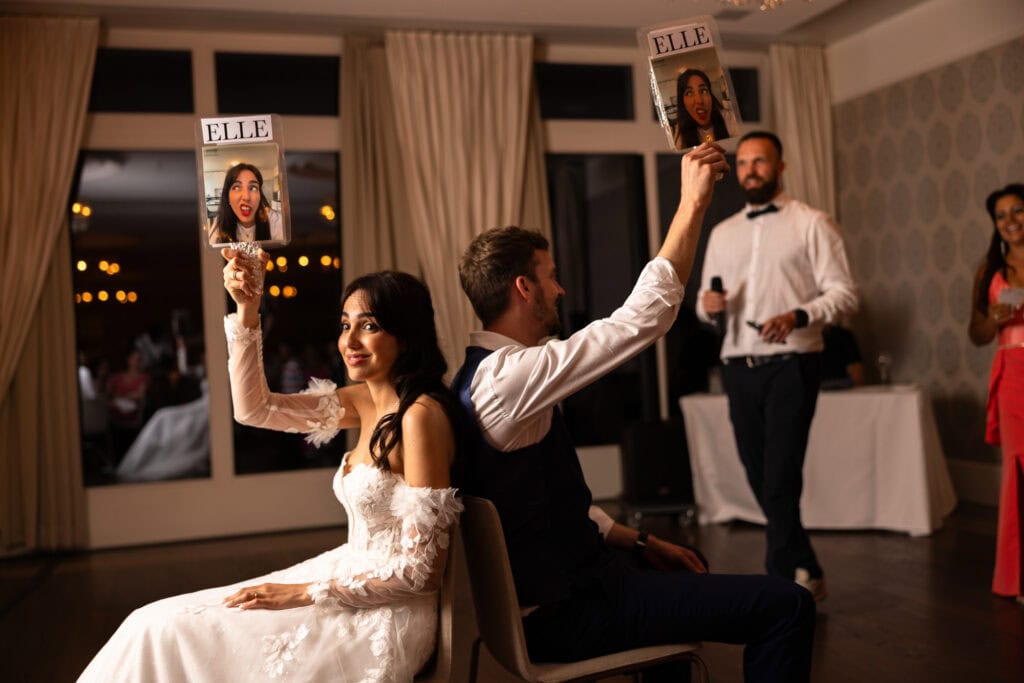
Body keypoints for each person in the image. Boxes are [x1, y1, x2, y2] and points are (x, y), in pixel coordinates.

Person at [453, 142, 816, 683]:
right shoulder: (508, 380)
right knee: (788, 605)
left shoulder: (483, 375)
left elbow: (545, 503)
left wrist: (640, 539)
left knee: (670, 563)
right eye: (551, 276)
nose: (561, 289)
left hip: (557, 602)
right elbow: (640, 320)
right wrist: (692, 203)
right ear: (524, 288)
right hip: (569, 614)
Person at [79, 260, 464, 682]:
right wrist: (247, 310)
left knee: (172, 632)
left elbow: (422, 571)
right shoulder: (361, 401)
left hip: (384, 617)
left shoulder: (420, 416)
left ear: (405, 336)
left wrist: (301, 593)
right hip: (342, 574)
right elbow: (255, 410)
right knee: (150, 622)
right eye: (344, 325)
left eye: (369, 326)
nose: (349, 340)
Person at [696, 131, 859, 602]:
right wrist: (708, 306)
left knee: (780, 474)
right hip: (737, 364)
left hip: (793, 362)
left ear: (780, 167)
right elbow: (705, 305)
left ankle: (779, 589)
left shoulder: (812, 223)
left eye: (760, 161)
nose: (750, 170)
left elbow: (845, 294)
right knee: (758, 473)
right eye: (744, 162)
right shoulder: (722, 233)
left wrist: (798, 315)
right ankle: (807, 563)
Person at [968, 182, 1024, 604]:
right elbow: (977, 333)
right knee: (1016, 472)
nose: (1010, 221)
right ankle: (1017, 578)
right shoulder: (989, 271)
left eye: (1018, 211)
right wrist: (994, 318)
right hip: (1012, 377)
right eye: (1001, 215)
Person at [207, 162, 284, 245]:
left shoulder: (274, 221)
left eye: (253, 188)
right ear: (227, 197)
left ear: (260, 195)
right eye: (237, 187)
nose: (246, 197)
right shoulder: (221, 223)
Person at [673, 69, 731, 150]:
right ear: (682, 102)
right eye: (689, 93)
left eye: (703, 91)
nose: (699, 101)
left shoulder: (729, 119)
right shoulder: (680, 132)